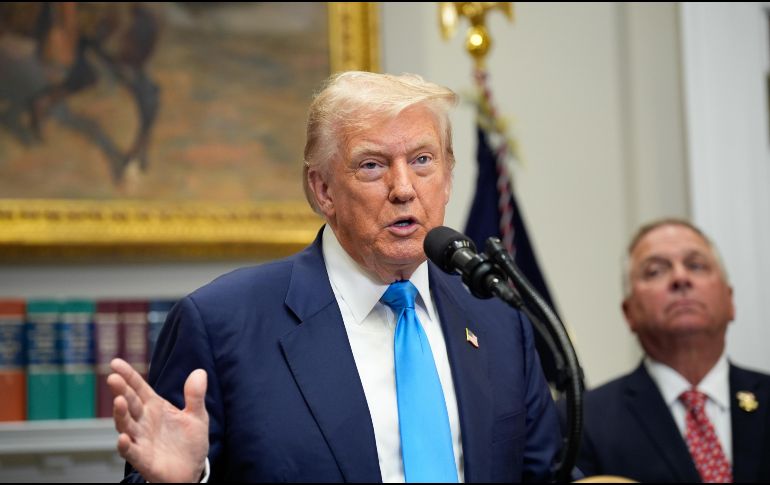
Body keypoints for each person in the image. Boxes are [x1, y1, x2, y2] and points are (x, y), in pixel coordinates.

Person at [107, 71, 561, 483]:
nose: (403, 188)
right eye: (372, 165)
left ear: (447, 178)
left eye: (422, 160)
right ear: (323, 189)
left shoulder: (499, 317)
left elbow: (547, 473)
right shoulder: (222, 324)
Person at [574, 218, 770, 482]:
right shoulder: (583, 422)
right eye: (655, 271)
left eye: (696, 265)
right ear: (629, 312)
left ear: (730, 300)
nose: (680, 278)